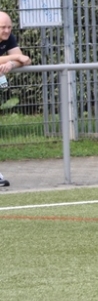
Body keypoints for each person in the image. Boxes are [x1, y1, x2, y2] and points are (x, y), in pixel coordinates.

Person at [0, 10, 32, 188]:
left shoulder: (9, 38)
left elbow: (25, 59)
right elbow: (19, 56)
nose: (6, 31)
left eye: (9, 27)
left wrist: (11, 64)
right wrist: (15, 57)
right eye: (2, 27)